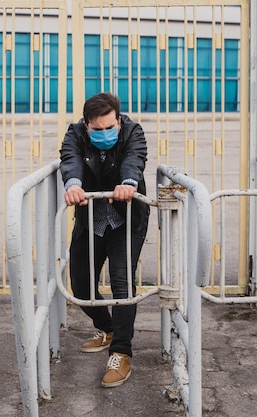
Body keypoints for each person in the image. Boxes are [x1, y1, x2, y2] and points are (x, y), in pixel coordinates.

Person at [59, 92, 149, 388]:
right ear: (86, 125)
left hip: (125, 217)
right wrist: (73, 184)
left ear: (118, 121)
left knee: (122, 283)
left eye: (110, 127)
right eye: (97, 130)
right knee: (81, 285)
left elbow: (134, 159)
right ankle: (106, 327)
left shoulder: (132, 131)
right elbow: (70, 159)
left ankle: (121, 352)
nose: (105, 134)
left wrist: (127, 183)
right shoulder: (74, 133)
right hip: (91, 217)